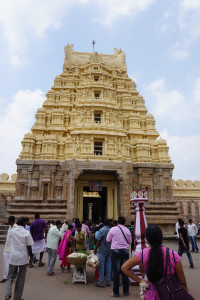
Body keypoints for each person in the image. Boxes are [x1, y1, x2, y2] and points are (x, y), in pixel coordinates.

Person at [121, 225, 189, 300]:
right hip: (170, 293)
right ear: (161, 237)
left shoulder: (143, 254)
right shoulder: (172, 254)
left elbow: (124, 268)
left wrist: (141, 281)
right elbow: (182, 281)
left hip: (151, 295)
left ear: (147, 239)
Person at [5, 217, 33, 300]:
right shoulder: (27, 233)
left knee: (10, 276)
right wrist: (31, 255)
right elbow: (29, 246)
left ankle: (7, 294)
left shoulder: (12, 231)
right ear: (24, 223)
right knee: (20, 278)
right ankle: (17, 297)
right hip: (23, 258)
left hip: (13, 257)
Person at [106, 216, 132, 297]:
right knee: (125, 271)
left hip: (115, 251)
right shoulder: (127, 230)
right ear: (124, 222)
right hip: (125, 251)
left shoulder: (113, 229)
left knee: (116, 272)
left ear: (117, 222)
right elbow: (130, 241)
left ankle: (116, 292)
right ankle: (126, 292)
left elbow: (108, 240)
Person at [94, 219, 111, 288]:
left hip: (102, 250)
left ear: (103, 223)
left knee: (101, 266)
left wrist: (95, 249)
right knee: (108, 266)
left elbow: (98, 240)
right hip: (109, 250)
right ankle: (108, 281)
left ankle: (101, 282)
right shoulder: (111, 230)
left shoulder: (101, 230)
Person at [0, 216, 17, 283]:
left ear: (11, 221)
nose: (7, 221)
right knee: (5, 264)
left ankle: (10, 277)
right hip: (6, 249)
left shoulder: (16, 228)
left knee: (11, 264)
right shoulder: (10, 227)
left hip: (12, 249)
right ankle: (5, 277)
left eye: (8, 220)